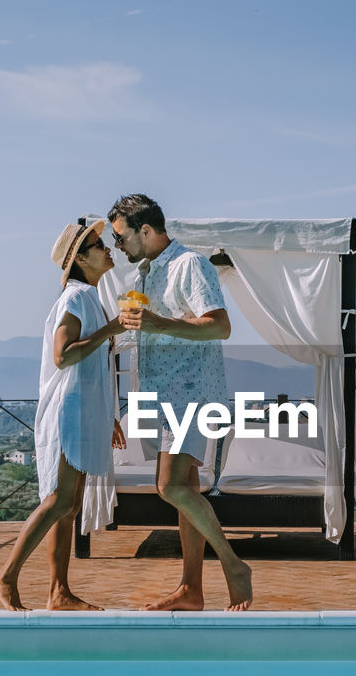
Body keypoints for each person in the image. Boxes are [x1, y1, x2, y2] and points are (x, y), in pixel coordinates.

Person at [108, 193, 253, 612]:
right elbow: (156, 331)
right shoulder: (145, 275)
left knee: (168, 486)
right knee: (185, 487)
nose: (119, 247)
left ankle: (234, 565)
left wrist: (156, 322)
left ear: (146, 231)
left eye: (121, 237)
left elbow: (220, 326)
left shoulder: (190, 265)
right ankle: (191, 589)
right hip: (162, 397)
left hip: (191, 394)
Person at [0, 220, 125, 611]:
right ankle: (7, 575)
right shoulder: (77, 297)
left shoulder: (89, 297)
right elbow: (63, 355)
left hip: (84, 411)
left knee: (68, 505)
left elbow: (92, 367)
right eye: (99, 245)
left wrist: (107, 416)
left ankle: (58, 592)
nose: (108, 248)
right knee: (59, 500)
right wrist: (111, 329)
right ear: (81, 258)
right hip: (69, 412)